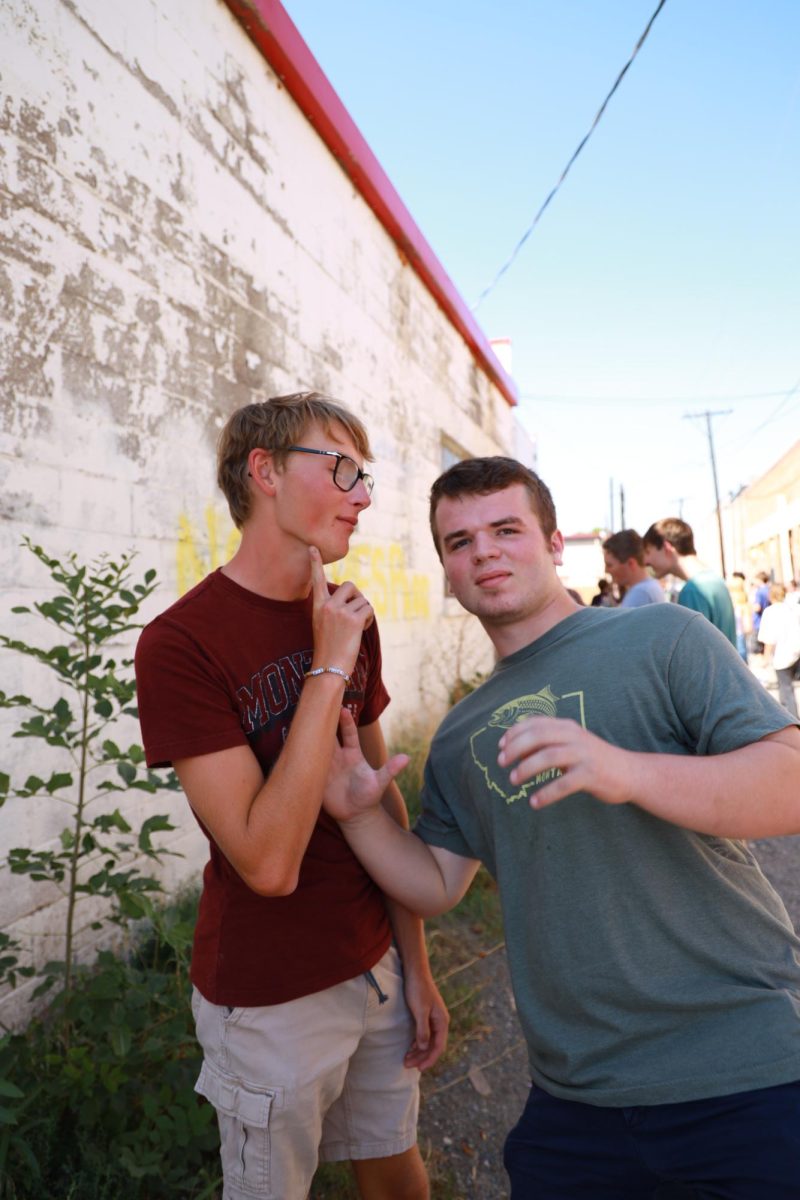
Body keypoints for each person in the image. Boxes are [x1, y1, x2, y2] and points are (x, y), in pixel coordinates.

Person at [323, 456, 800, 1199]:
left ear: (552, 545)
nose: (483, 550)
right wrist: (356, 816)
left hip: (745, 1073)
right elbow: (439, 883)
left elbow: (791, 783)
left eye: (505, 529)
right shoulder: (460, 736)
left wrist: (626, 771)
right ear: (448, 574)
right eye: (459, 542)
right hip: (576, 1105)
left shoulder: (661, 639)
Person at [134, 392, 447, 1200]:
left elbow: (381, 803)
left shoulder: (346, 614)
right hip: (271, 999)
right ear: (265, 471)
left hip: (373, 959)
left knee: (398, 1180)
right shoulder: (179, 644)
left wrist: (416, 965)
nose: (365, 495)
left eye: (365, 475)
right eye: (341, 468)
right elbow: (267, 863)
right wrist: (328, 665)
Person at [642, 517, 736, 645]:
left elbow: (692, 653)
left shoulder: (693, 590)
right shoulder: (715, 581)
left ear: (667, 547)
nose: (646, 561)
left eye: (648, 552)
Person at [758, 583, 800, 718]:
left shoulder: (770, 612)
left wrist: (765, 659)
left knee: (786, 690)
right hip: (796, 651)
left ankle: (793, 720)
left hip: (782, 655)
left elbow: (769, 639)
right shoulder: (793, 608)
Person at [602, 529, 667, 608]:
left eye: (609, 565)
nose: (606, 570)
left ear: (631, 563)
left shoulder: (640, 593)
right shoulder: (648, 587)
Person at [728, 570, 752, 662]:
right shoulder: (743, 604)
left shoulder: (726, 602)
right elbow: (748, 627)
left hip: (726, 637)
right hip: (739, 637)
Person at [752, 570, 773, 652]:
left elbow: (757, 607)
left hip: (759, 621)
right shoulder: (769, 589)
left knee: (759, 648)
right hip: (769, 620)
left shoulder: (759, 591)